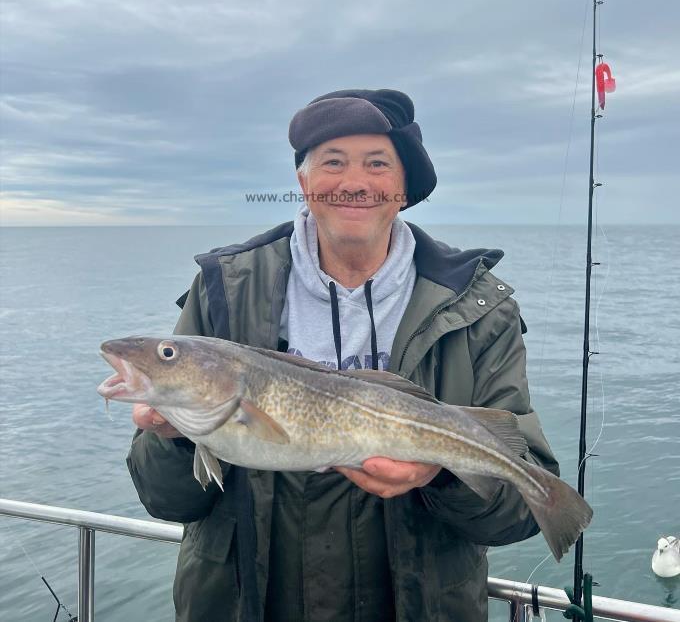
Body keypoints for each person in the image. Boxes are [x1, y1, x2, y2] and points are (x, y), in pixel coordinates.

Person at [127, 88, 559, 622]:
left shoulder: (478, 309)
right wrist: (173, 436)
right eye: (332, 162)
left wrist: (442, 470)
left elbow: (515, 518)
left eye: (377, 164)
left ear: (404, 188)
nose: (354, 183)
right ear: (304, 184)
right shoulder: (223, 290)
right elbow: (167, 502)